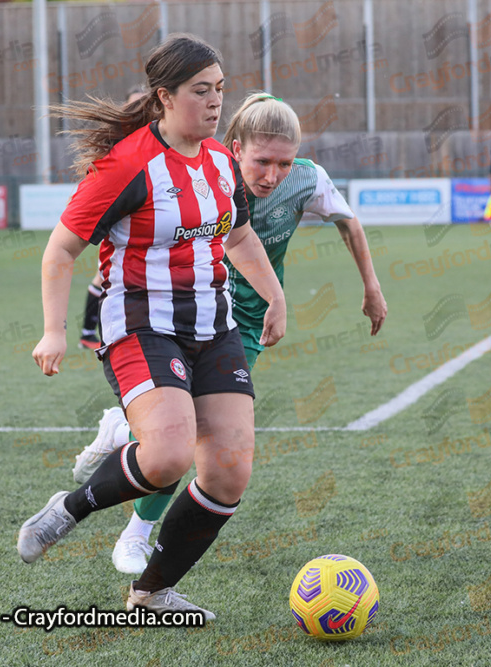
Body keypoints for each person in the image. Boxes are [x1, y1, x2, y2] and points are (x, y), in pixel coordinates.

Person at [19, 35, 287, 620]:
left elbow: (237, 235)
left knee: (230, 469)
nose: (216, 102)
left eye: (220, 89)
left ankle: (151, 592)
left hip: (212, 326)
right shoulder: (125, 165)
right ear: (164, 97)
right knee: (166, 457)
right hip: (140, 324)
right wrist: (54, 330)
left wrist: (274, 295)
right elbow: (60, 251)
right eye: (201, 91)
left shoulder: (219, 160)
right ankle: (70, 508)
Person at [72, 92, 388, 574]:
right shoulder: (205, 173)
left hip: (247, 322)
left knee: (205, 436)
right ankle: (134, 529)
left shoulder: (308, 179)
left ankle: (125, 438)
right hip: (186, 311)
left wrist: (371, 286)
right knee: (191, 434)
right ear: (235, 148)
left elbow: (350, 224)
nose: (272, 176)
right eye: (262, 161)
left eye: (283, 163)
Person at [78, 85, 148, 351]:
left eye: (144, 103)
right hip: (124, 225)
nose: (141, 110)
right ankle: (94, 334)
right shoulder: (121, 147)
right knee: (106, 278)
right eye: (134, 105)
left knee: (105, 279)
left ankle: (89, 334)